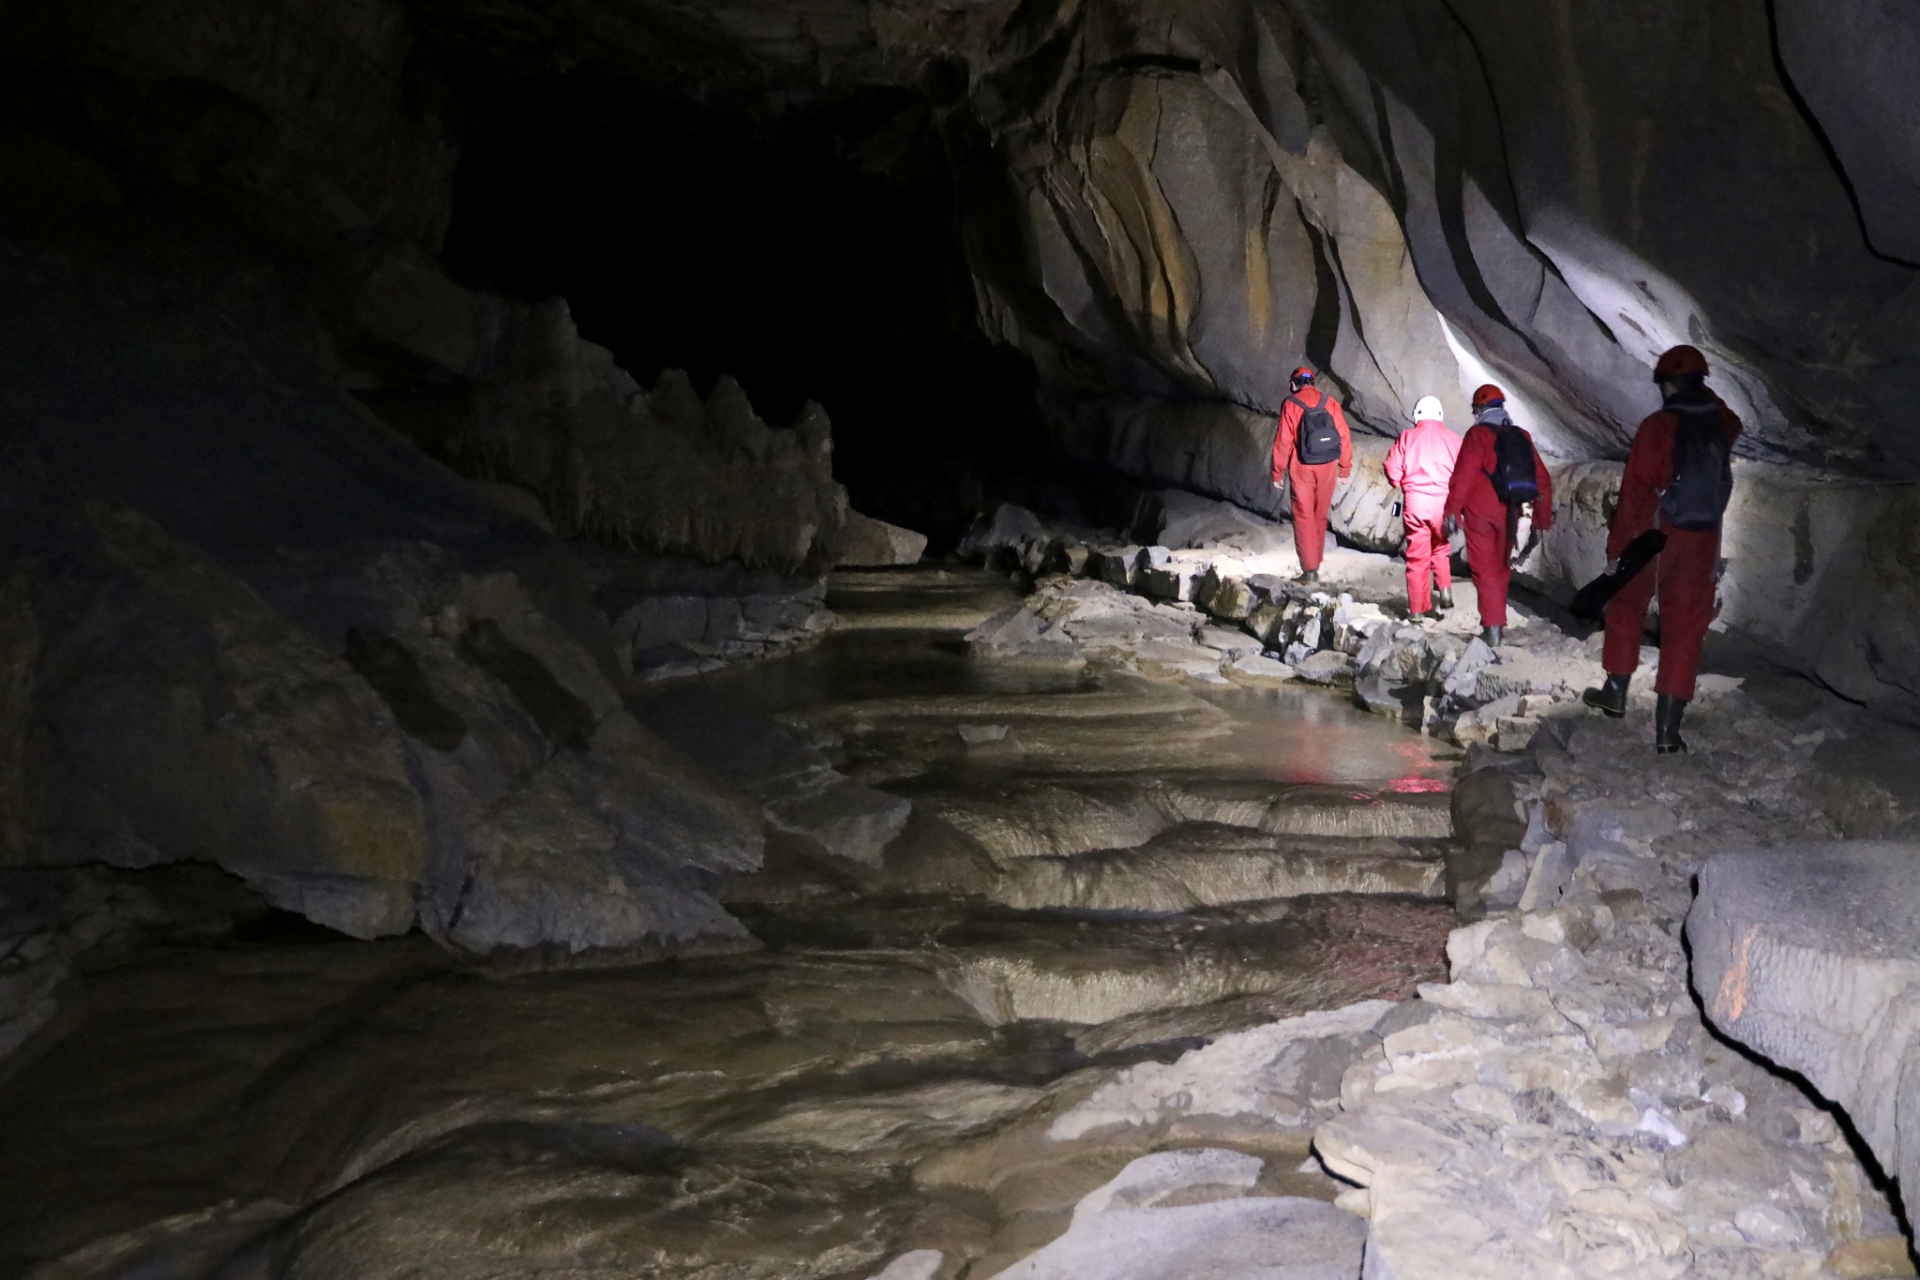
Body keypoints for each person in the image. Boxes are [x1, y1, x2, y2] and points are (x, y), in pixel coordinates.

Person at [1581, 344, 1741, 754]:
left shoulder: (1657, 426)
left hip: (1654, 535)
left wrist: (1617, 549)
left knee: (1624, 607)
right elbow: (1733, 419)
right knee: (1686, 630)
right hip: (1702, 539)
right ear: (1701, 383)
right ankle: (1668, 734)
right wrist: (1705, 398)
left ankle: (1615, 693)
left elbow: (1635, 492)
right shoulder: (1720, 422)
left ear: (1667, 386)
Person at [1443, 383, 1553, 646]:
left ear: (1480, 409)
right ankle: (1496, 624)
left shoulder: (1477, 436)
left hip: (1480, 514)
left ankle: (1493, 629)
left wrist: (1452, 512)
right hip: (1510, 512)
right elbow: (1543, 480)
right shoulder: (1520, 435)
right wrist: (1540, 520)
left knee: (1484, 570)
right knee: (1502, 568)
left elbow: (1465, 477)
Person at [1270, 366, 1353, 585]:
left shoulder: (1291, 404)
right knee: (1320, 515)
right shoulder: (1330, 402)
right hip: (1328, 465)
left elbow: (1283, 441)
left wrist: (1277, 472)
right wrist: (1345, 467)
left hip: (1303, 466)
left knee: (1303, 516)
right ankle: (1316, 561)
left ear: (1293, 383)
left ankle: (1310, 571)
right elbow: (1343, 435)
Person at [1384, 395, 1462, 620]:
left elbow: (1392, 469)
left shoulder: (1407, 437)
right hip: (1445, 505)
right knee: (1440, 547)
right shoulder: (1453, 439)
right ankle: (1445, 592)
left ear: (1417, 414)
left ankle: (1417, 611)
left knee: (1417, 557)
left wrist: (1398, 482)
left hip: (1416, 504)